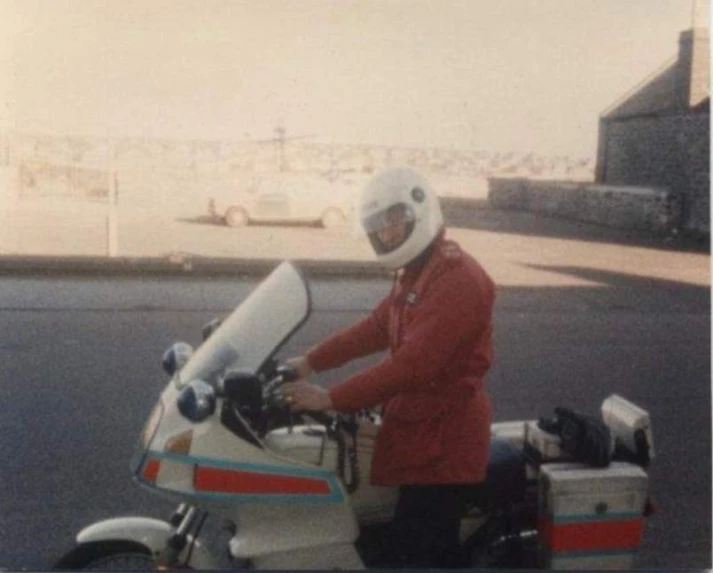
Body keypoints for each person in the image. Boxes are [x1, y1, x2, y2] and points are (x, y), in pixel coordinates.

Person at [282, 166, 495, 568]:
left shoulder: (457, 279)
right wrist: (310, 361)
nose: (387, 234)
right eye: (379, 226)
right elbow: (375, 328)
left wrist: (332, 398)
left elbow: (411, 366)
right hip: (421, 431)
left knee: (420, 556)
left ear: (419, 210)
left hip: (444, 445)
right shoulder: (417, 273)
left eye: (394, 222)